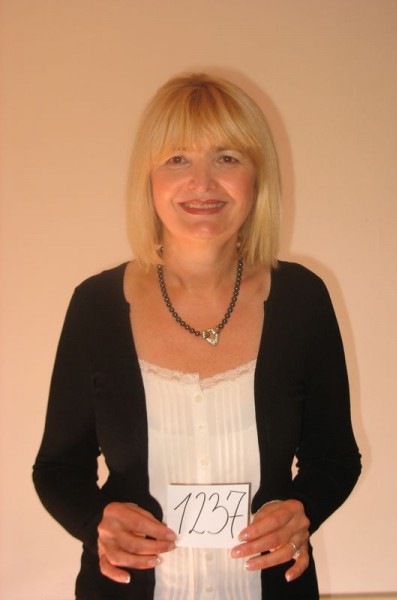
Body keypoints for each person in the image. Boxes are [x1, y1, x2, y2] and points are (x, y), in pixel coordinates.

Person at [33, 73, 361, 599]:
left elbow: (335, 458)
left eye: (227, 157)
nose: (202, 182)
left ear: (258, 177)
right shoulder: (95, 306)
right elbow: (57, 468)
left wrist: (304, 509)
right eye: (177, 159)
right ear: (148, 179)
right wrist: (97, 521)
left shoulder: (302, 300)